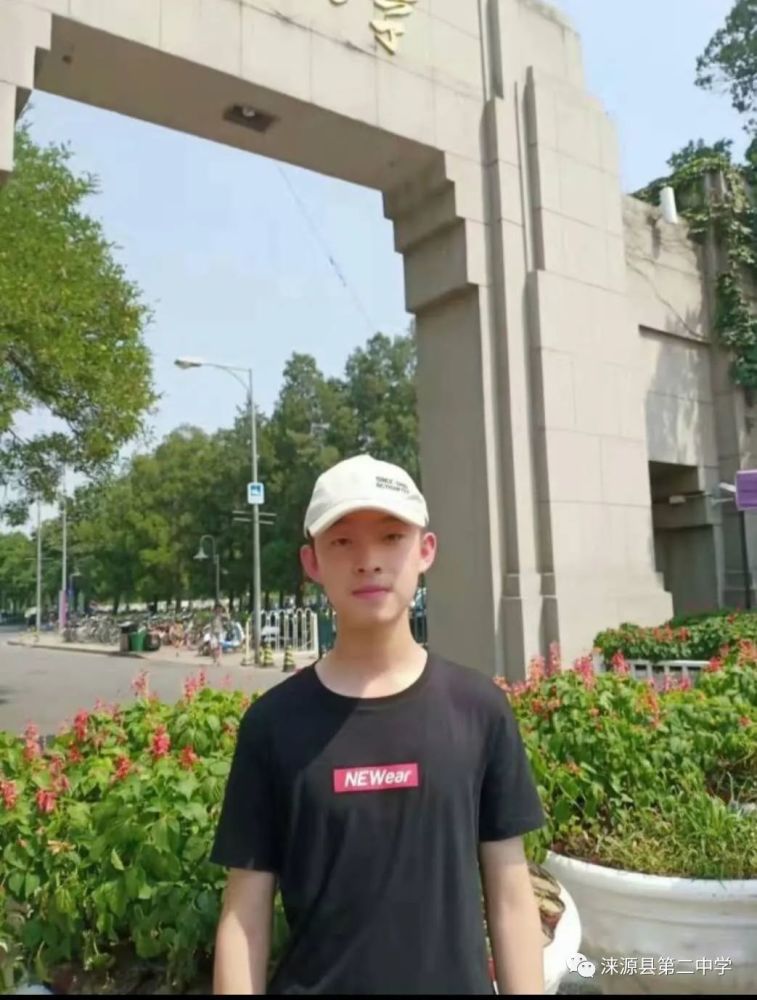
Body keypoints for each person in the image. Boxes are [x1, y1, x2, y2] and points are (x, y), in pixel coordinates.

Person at [211, 454, 546, 995]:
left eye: (391, 537)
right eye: (342, 542)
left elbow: (510, 897)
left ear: (425, 550)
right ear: (312, 561)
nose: (368, 561)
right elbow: (244, 918)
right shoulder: (272, 725)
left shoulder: (479, 709)